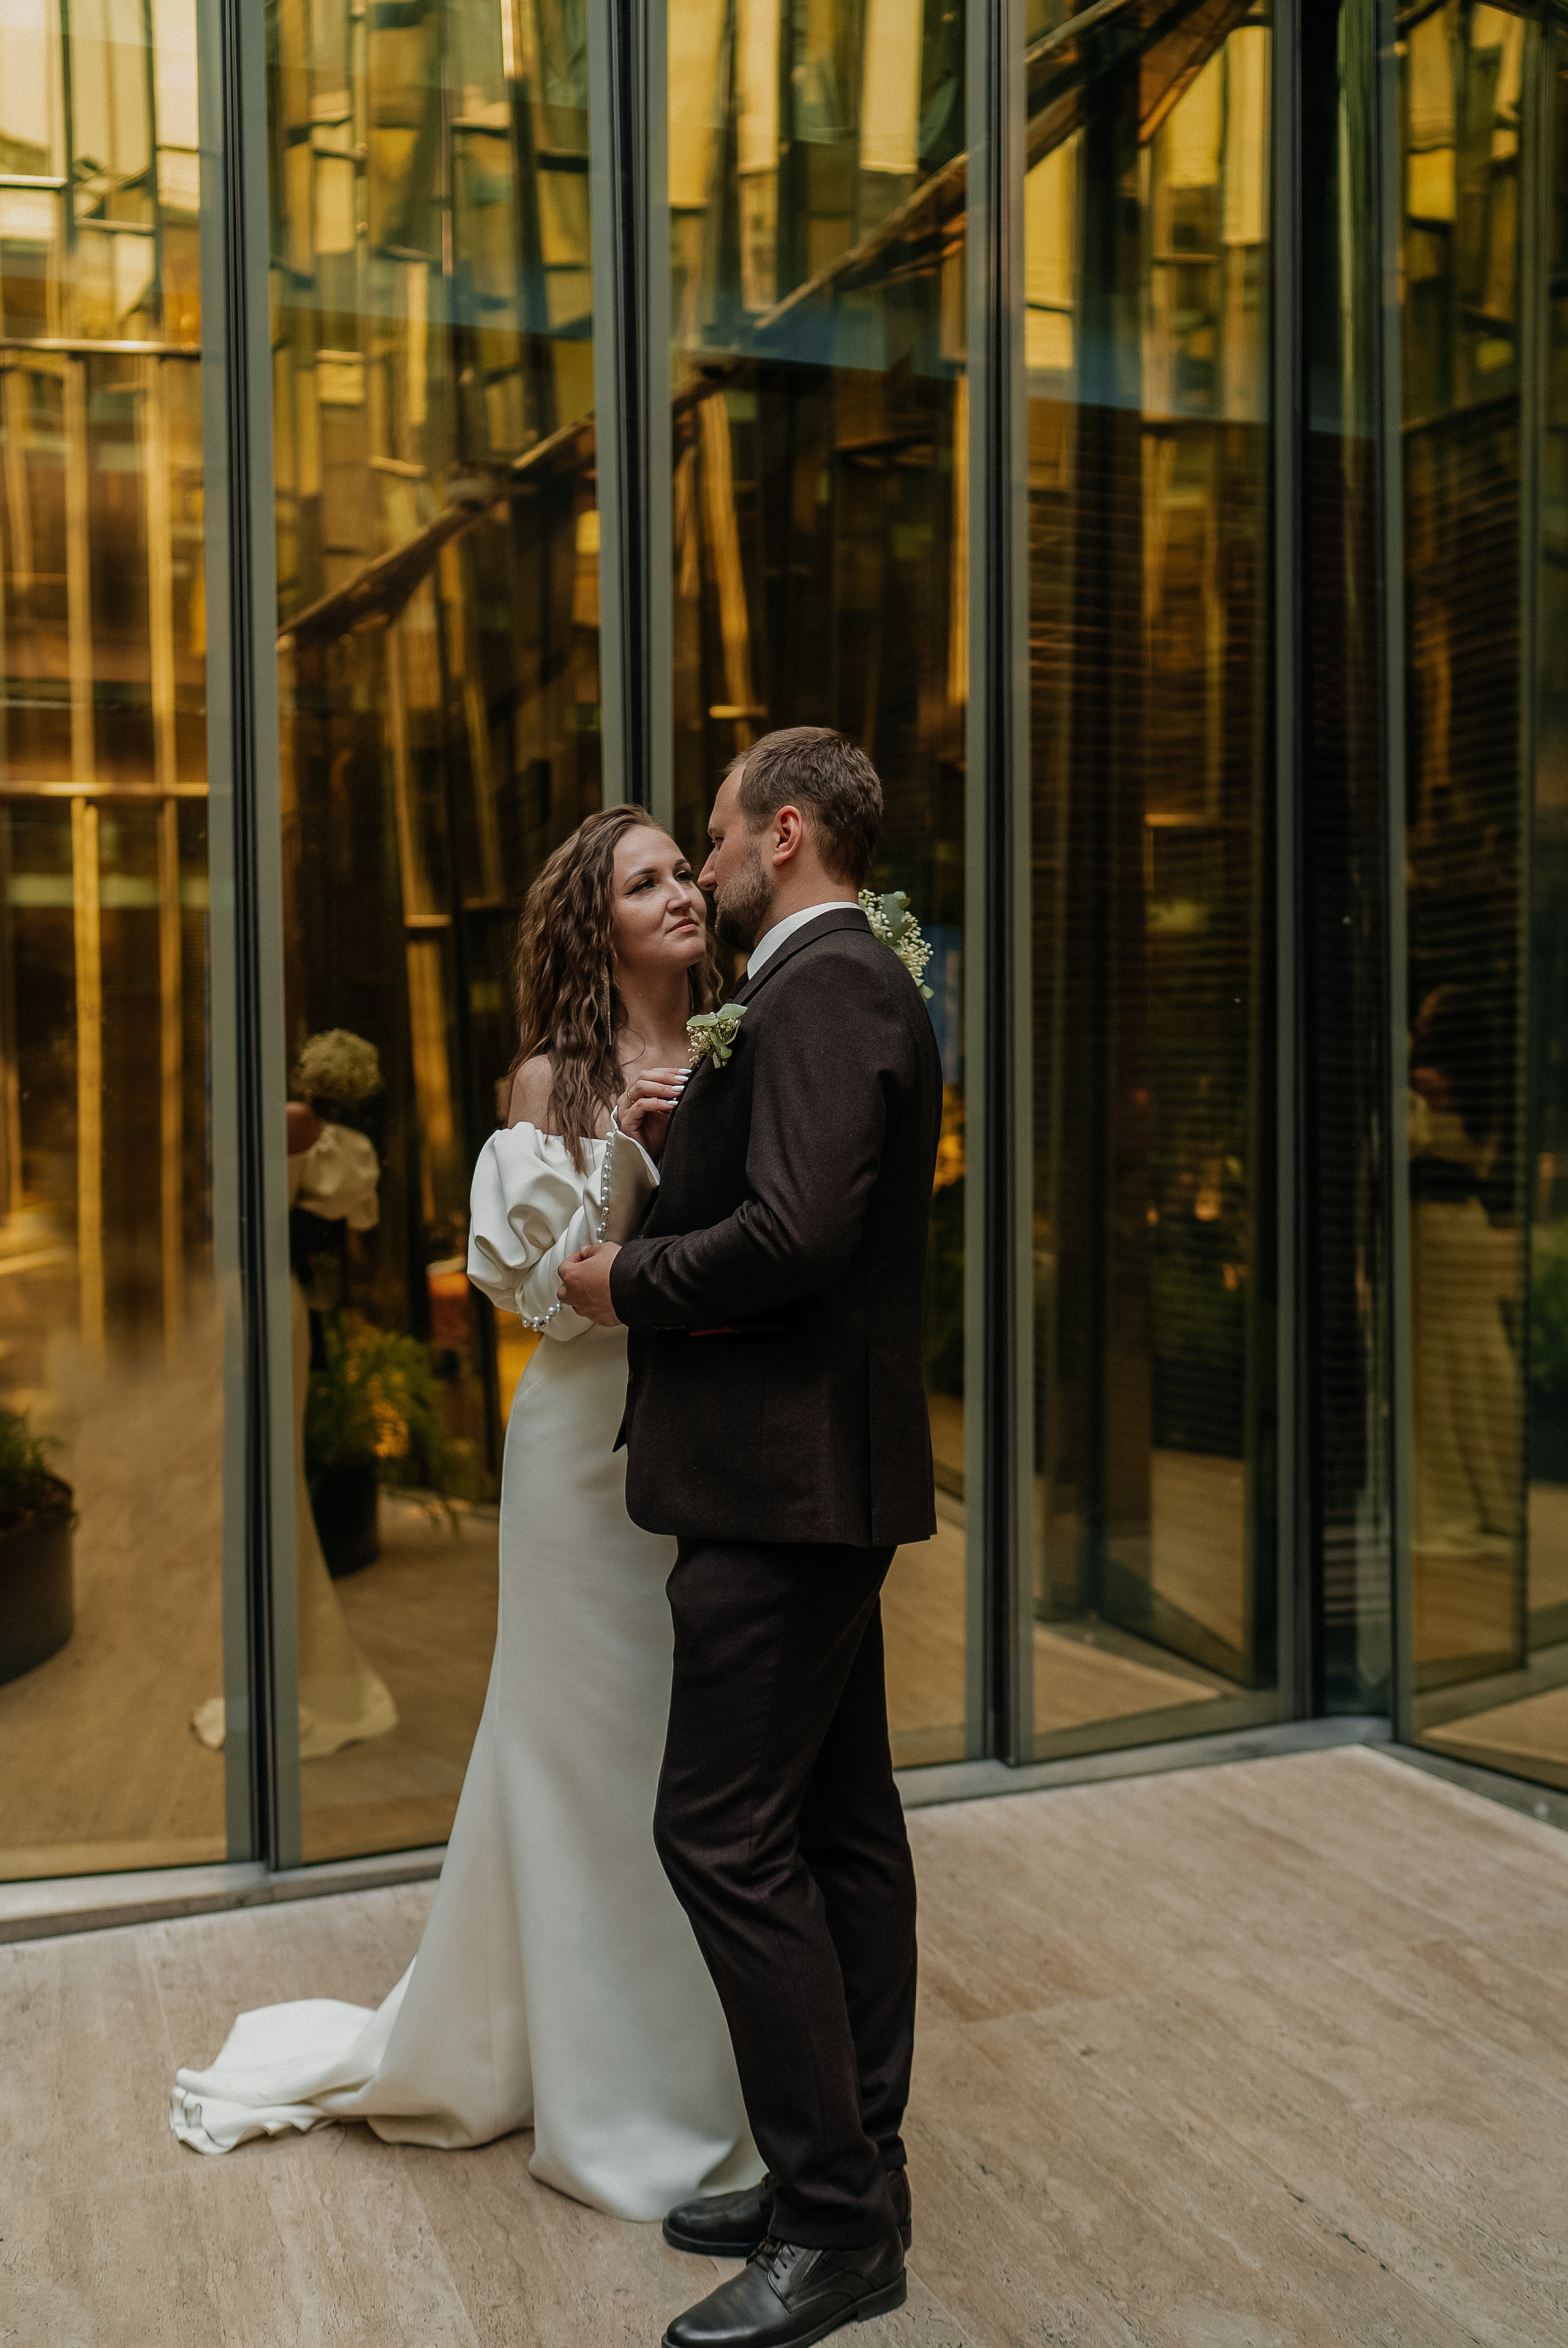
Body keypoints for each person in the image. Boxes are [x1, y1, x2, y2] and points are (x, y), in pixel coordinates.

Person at [170, 806, 761, 2223]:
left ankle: (715, 2062)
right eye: (645, 880)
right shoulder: (550, 1078)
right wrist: (623, 1146)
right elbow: (545, 1293)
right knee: (591, 1760)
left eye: (686, 866)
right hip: (579, 1461)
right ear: (592, 924)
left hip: (720, 1458)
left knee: (694, 1760)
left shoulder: (746, 1039)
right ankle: (615, 2093)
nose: (682, 889)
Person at [560, 728, 943, 2348]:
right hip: (802, 1486)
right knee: (841, 1825)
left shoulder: (830, 983)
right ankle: (843, 2177)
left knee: (718, 1834)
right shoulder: (821, 987)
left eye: (714, 836)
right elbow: (787, 1181)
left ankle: (840, 2223)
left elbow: (792, 1233)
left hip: (781, 1496)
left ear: (782, 834)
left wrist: (621, 1281)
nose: (704, 865)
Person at [191, 1103, 398, 1758]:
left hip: (257, 1302)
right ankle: (266, 1664)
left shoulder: (291, 1117)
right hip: (211, 1301)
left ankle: (302, 1671)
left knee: (268, 1486)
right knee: (242, 1491)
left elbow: (345, 1190)